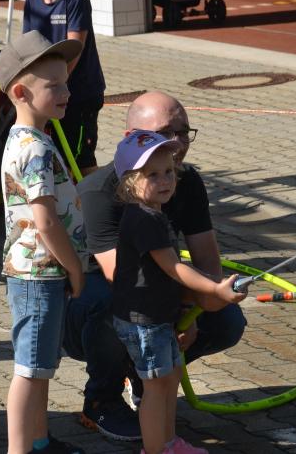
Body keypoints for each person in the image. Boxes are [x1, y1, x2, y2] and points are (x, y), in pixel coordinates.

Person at [66, 91, 248, 442]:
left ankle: (145, 379)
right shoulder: (99, 192)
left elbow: (207, 260)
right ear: (130, 139)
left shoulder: (185, 181)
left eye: (184, 131)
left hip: (155, 293)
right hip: (96, 302)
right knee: (109, 306)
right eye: (166, 133)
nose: (178, 143)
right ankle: (101, 399)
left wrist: (197, 307)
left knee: (226, 318)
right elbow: (119, 277)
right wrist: (181, 311)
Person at [110, 130, 245, 454]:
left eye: (169, 172)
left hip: (156, 318)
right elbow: (174, 268)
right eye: (152, 175)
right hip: (143, 322)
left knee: (168, 380)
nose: (165, 180)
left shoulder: (154, 214)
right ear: (129, 182)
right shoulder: (144, 219)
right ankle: (156, 449)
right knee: (156, 388)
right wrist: (214, 289)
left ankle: (169, 442)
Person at [0, 30, 87, 454]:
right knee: (30, 369)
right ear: (21, 92)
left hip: (41, 273)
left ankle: (38, 440)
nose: (66, 92)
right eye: (54, 86)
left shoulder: (33, 139)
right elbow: (47, 221)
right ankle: (21, 448)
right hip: (40, 272)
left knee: (41, 366)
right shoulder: (32, 147)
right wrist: (74, 268)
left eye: (66, 82)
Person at [23, 0, 106, 176]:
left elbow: (74, 47)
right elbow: (29, 42)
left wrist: (53, 84)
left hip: (81, 93)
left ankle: (95, 207)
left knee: (81, 158)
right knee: (59, 154)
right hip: (53, 91)